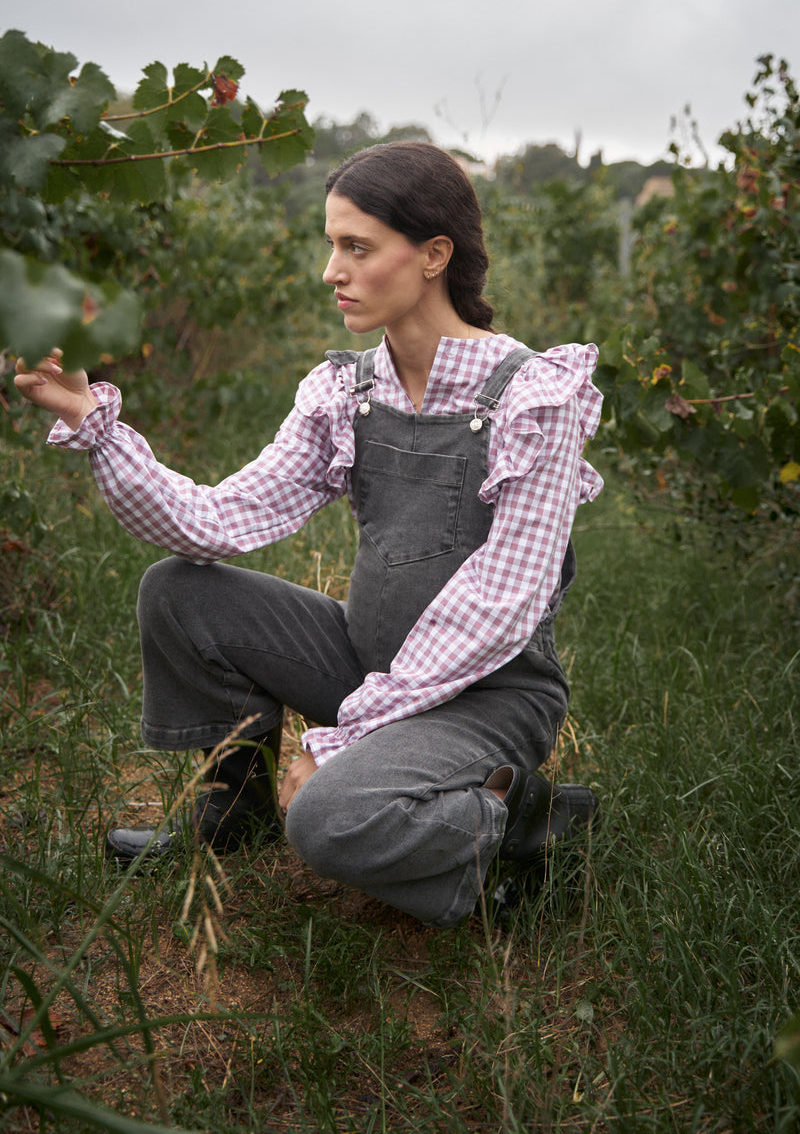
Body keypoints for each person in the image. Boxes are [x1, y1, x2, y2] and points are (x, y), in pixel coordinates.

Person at [14, 142, 603, 929]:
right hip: (371, 665)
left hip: (488, 697)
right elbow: (214, 522)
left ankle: (515, 824)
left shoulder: (536, 398)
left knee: (327, 819)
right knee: (179, 591)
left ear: (434, 255)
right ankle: (237, 809)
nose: (332, 270)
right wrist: (92, 425)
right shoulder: (346, 391)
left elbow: (502, 601)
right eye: (333, 245)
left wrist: (343, 738)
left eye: (356, 247)